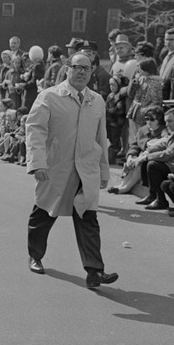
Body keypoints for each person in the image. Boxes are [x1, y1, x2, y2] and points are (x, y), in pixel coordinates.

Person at [25, 50, 118, 290]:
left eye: (86, 68)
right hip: (56, 167)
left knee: (88, 218)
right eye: (77, 67)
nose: (81, 72)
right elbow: (35, 130)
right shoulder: (49, 97)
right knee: (44, 214)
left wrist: (104, 172)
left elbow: (101, 137)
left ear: (92, 72)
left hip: (85, 168)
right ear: (67, 69)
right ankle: (35, 255)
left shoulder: (96, 100)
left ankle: (95, 271)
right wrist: (37, 163)